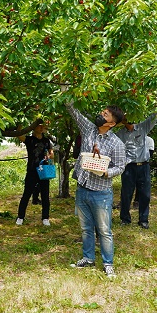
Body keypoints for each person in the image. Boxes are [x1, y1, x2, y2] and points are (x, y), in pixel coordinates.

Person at [66, 102, 126, 278]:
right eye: (103, 112)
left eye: (106, 115)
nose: (101, 115)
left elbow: (121, 166)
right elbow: (74, 111)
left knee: (104, 230)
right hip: (82, 188)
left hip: (101, 192)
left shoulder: (116, 143)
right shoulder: (89, 130)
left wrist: (106, 172)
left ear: (112, 123)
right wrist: (65, 90)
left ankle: (108, 263)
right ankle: (88, 258)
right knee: (86, 228)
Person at [115, 113, 157, 229]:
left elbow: (155, 116)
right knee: (126, 193)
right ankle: (125, 219)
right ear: (122, 120)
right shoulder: (119, 134)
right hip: (129, 167)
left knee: (145, 194)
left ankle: (143, 220)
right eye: (125, 117)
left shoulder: (142, 127)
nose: (128, 119)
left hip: (144, 166)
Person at [15, 123, 54, 226]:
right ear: (34, 127)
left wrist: (49, 156)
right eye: (39, 125)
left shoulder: (46, 141)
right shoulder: (29, 139)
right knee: (27, 194)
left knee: (45, 195)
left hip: (44, 170)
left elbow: (51, 153)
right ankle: (20, 217)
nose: (41, 128)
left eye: (43, 126)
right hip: (32, 170)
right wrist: (20, 121)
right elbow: (19, 135)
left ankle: (45, 218)